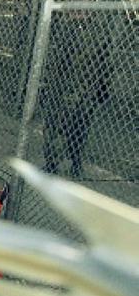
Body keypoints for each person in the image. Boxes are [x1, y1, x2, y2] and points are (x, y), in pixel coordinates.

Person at [39, 11, 113, 179]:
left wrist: (102, 90)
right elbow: (55, 61)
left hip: (81, 90)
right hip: (64, 89)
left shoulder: (93, 33)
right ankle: (56, 163)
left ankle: (72, 163)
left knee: (76, 128)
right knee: (59, 127)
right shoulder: (66, 29)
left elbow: (103, 64)